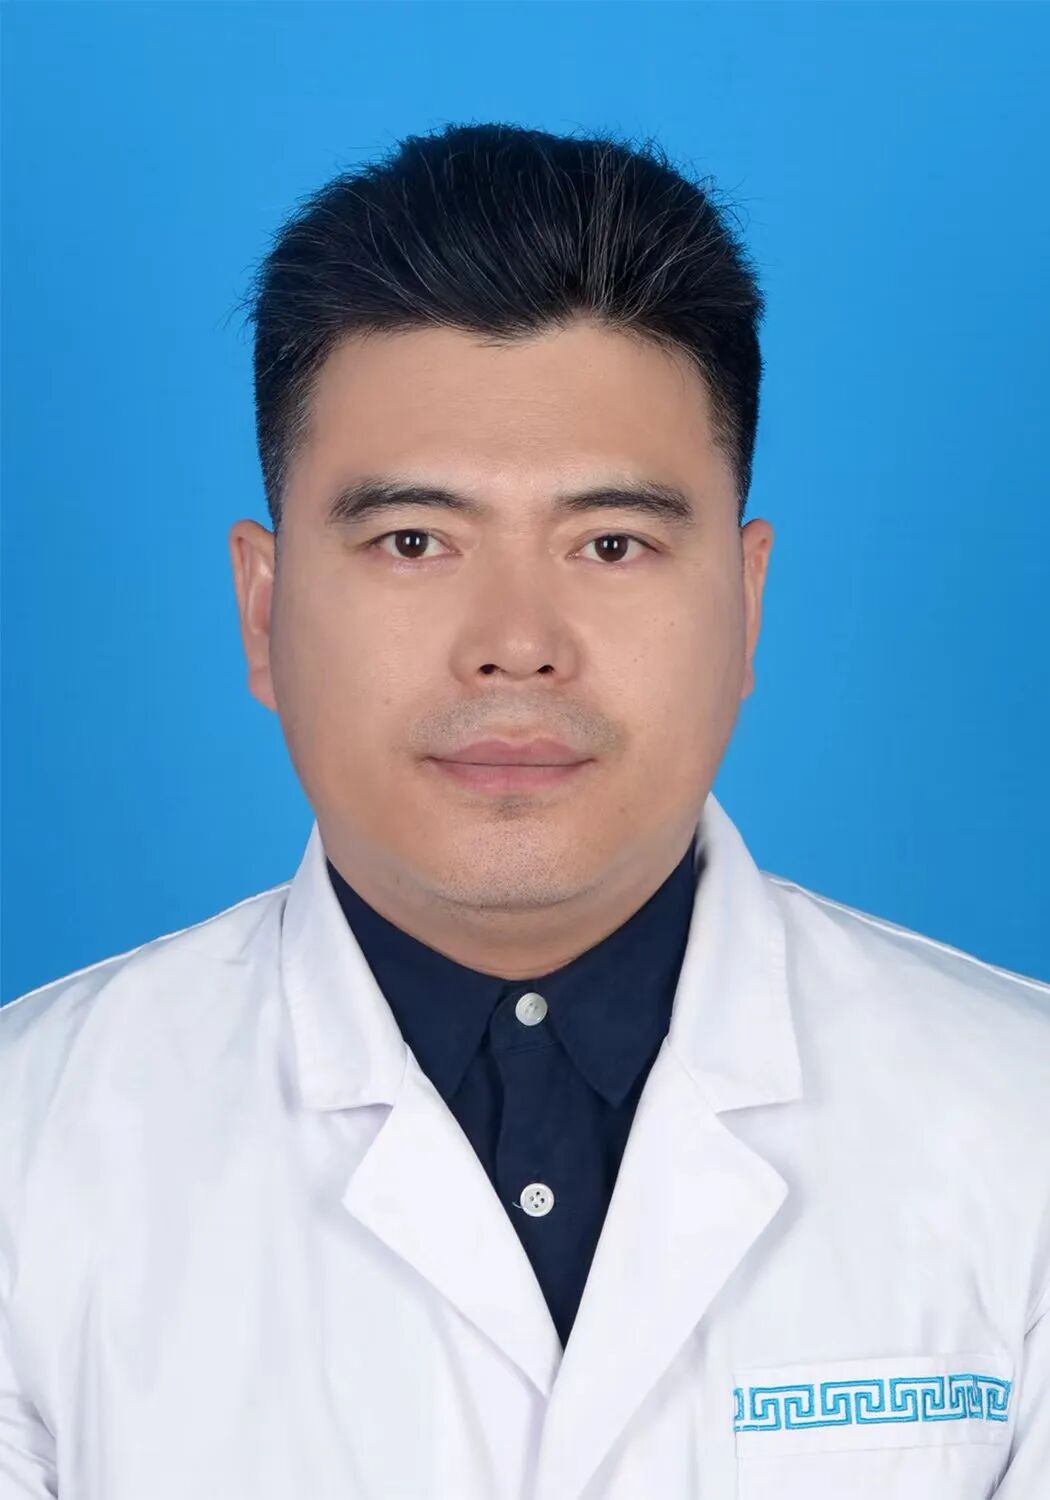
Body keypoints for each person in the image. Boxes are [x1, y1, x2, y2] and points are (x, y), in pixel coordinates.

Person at [1, 122, 1047, 1500]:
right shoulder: (28, 1154)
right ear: (264, 608)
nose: (514, 645)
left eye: (610, 543)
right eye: (413, 541)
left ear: (745, 605)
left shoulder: (1021, 1128)